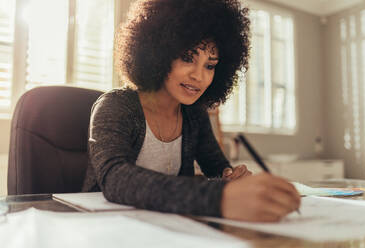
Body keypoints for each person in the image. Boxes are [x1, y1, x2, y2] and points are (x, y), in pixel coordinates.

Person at [82, 0, 301, 222]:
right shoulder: (115, 106)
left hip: (172, 228)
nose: (199, 76)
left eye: (210, 65)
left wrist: (230, 177)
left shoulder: (194, 114)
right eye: (188, 58)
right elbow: (116, 179)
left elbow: (216, 166)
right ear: (159, 53)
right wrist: (220, 198)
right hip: (105, 226)